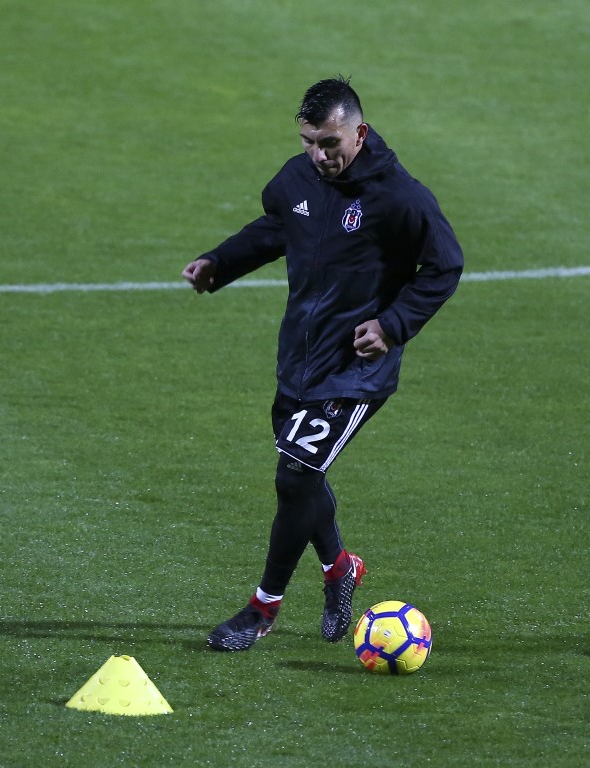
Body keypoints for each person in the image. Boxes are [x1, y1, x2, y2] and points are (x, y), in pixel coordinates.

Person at [182, 76, 464, 651]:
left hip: (356, 370)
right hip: (299, 359)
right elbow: (275, 230)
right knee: (302, 476)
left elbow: (445, 265)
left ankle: (261, 609)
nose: (319, 155)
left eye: (330, 143)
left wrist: (391, 326)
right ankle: (340, 568)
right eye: (309, 142)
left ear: (359, 133)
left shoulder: (399, 196)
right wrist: (219, 262)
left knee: (295, 474)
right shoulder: (297, 179)